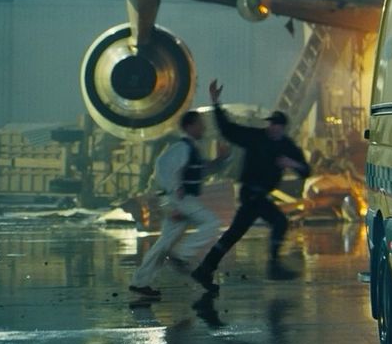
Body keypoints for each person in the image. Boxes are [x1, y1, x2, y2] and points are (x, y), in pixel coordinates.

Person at [189, 80, 310, 293]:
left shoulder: (287, 146)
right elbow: (228, 130)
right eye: (270, 124)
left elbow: (306, 170)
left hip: (260, 195)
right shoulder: (256, 137)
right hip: (251, 194)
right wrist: (216, 103)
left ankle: (205, 269)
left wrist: (292, 164)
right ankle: (273, 266)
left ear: (282, 127)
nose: (272, 128)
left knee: (235, 233)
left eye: (275, 125)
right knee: (278, 222)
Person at [128, 110, 227, 299]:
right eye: (200, 124)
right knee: (211, 223)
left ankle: (140, 282)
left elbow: (201, 171)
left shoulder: (192, 149)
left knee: (164, 243)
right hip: (180, 199)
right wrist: (175, 191)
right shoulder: (181, 148)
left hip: (178, 199)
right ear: (189, 126)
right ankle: (181, 254)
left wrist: (220, 160)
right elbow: (163, 167)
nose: (203, 128)